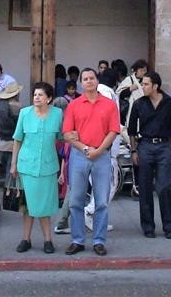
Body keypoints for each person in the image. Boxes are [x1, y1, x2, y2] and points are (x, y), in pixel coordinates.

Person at [62, 68, 121, 256]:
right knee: (76, 201)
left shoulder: (109, 105)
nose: (89, 81)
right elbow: (67, 133)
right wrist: (86, 149)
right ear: (81, 83)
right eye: (85, 79)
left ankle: (99, 241)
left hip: (102, 155)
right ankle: (77, 240)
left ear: (97, 80)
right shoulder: (74, 105)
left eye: (92, 78)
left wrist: (99, 150)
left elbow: (113, 131)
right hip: (80, 155)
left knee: (101, 201)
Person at [127, 72, 171, 239]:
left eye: (146, 84)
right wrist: (134, 150)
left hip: (164, 146)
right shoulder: (139, 103)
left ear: (155, 86)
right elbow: (131, 129)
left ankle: (168, 225)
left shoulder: (170, 103)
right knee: (144, 187)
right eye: (142, 84)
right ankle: (148, 226)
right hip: (145, 145)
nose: (142, 87)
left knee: (165, 186)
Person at [10, 82, 63, 254]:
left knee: (44, 206)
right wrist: (13, 163)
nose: (37, 98)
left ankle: (48, 240)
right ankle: (26, 239)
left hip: (48, 166)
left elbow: (63, 138)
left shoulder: (57, 114)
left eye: (40, 95)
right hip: (27, 166)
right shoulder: (25, 113)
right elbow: (17, 140)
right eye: (35, 95)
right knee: (27, 205)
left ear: (49, 98)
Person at [0, 83, 22, 185]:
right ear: (17, 94)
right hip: (13, 145)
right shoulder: (19, 108)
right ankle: (8, 191)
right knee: (11, 173)